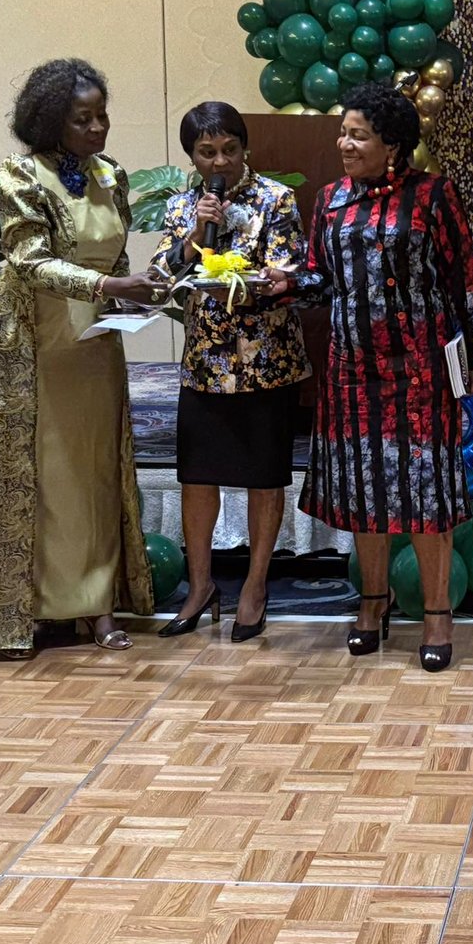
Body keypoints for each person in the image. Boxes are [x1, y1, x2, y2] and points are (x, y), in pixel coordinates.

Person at [264, 83, 473, 672]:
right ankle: (372, 602)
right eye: (343, 133)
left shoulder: (433, 195)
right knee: (363, 490)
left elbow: (462, 281)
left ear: (391, 144)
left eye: (357, 135)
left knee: (425, 491)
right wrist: (288, 283)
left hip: (420, 371)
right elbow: (321, 278)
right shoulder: (331, 199)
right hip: (351, 372)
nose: (344, 144)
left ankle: (437, 613)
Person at [0, 59, 168, 656]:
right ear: (51, 121)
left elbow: (113, 258)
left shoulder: (111, 174)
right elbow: (27, 261)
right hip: (33, 342)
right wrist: (108, 286)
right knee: (40, 473)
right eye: (83, 119)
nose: (98, 127)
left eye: (102, 115)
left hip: (94, 342)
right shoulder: (22, 175)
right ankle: (27, 609)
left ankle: (96, 606)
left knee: (92, 472)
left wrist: (135, 290)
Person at [152, 102, 311, 643]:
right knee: (197, 478)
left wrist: (256, 284)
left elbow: (291, 270)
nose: (220, 161)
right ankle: (200, 587)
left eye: (230, 149)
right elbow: (162, 273)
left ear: (245, 148)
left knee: (264, 478)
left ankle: (255, 587)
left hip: (266, 361)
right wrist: (197, 233)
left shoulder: (275, 198)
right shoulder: (183, 207)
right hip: (206, 363)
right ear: (192, 156)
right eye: (207, 152)